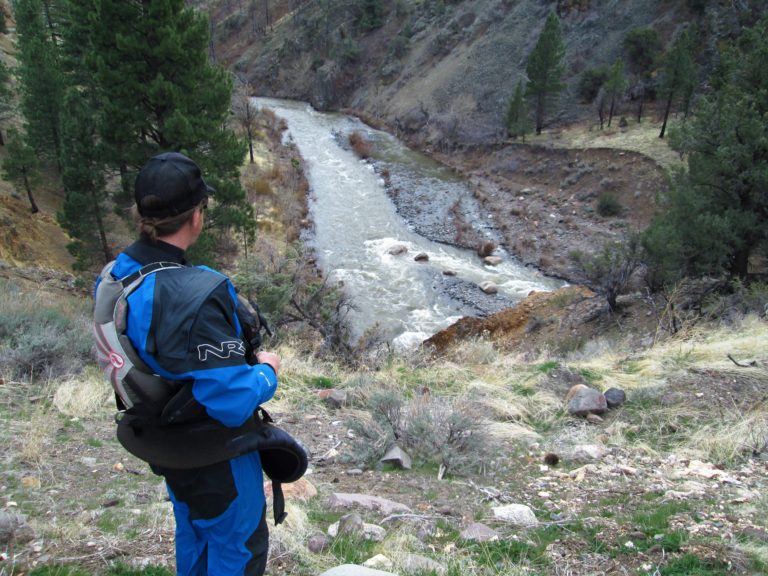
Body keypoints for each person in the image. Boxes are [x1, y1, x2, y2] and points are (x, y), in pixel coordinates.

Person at [99, 152, 280, 576]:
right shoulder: (195, 294)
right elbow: (230, 402)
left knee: (194, 532)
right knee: (236, 547)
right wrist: (267, 370)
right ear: (196, 216)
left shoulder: (118, 274)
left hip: (165, 439)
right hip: (215, 449)